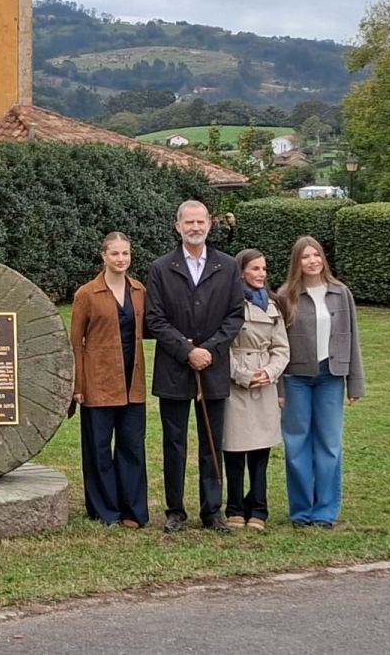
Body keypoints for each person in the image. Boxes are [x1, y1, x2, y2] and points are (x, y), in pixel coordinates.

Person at [146, 200, 245, 533]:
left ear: (209, 225)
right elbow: (155, 319)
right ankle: (175, 510)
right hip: (174, 368)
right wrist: (187, 350)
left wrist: (209, 351)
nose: (195, 227)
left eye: (200, 221)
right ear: (177, 227)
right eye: (189, 222)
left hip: (213, 368)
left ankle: (211, 510)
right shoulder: (161, 268)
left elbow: (235, 317)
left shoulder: (228, 267)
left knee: (211, 441)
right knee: (174, 442)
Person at [275, 236, 365, 528]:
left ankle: (325, 510)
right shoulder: (286, 295)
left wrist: (355, 383)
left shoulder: (341, 293)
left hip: (331, 376)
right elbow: (276, 344)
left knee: (329, 444)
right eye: (305, 256)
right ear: (296, 262)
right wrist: (278, 387)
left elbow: (352, 340)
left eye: (316, 255)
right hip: (295, 378)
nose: (312, 261)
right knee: (297, 443)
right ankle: (301, 510)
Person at [70, 231, 149, 529]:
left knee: (132, 447)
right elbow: (75, 343)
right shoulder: (87, 294)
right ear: (103, 256)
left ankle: (132, 510)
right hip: (98, 381)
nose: (120, 259)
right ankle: (105, 510)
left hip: (132, 382)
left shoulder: (139, 290)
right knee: (99, 449)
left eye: (125, 254)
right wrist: (77, 386)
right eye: (114, 254)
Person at [223, 248, 289, 531]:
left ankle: (259, 508)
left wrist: (270, 373)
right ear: (242, 272)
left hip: (265, 384)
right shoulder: (229, 303)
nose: (261, 274)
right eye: (255, 269)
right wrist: (242, 375)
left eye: (264, 269)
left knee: (261, 452)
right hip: (237, 384)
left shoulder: (273, 306)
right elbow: (221, 344)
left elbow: (281, 347)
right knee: (235, 450)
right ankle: (235, 506)